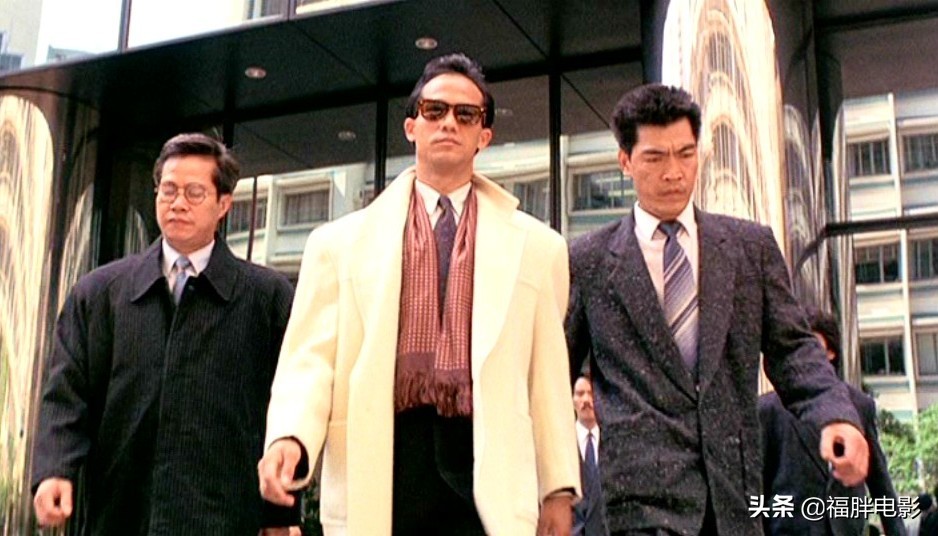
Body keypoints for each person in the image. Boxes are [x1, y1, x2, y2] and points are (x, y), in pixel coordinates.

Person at [257, 53, 580, 535]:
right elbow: (310, 361)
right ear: (411, 127)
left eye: (466, 114)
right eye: (435, 110)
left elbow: (547, 378)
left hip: (490, 467)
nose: (449, 122)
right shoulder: (337, 244)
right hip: (385, 461)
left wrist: (557, 488)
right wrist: (290, 436)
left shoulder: (538, 248)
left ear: (484, 136)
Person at [564, 83, 869, 535]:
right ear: (624, 160)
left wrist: (835, 415)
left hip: (733, 499)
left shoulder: (749, 247)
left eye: (686, 154)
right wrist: (555, 487)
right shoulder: (588, 260)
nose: (674, 172)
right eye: (655, 157)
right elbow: (553, 374)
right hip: (638, 505)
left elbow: (793, 349)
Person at [31, 133, 297, 535]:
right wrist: (55, 469)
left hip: (224, 517)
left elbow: (290, 406)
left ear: (224, 204)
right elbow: (67, 392)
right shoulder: (100, 293)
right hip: (121, 515)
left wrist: (280, 516)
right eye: (168, 190)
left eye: (194, 192)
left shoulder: (266, 297)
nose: (178, 203)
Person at [760, 309, 906, 535]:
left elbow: (879, 481)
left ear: (831, 352)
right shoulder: (768, 409)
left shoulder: (859, 405)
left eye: (812, 345)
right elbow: (758, 482)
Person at [573, 374, 607, 536]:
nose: (586, 399)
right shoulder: (561, 443)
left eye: (591, 393)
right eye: (580, 394)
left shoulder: (612, 443)